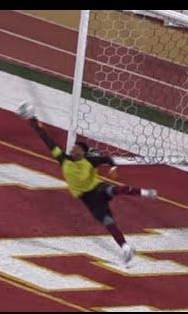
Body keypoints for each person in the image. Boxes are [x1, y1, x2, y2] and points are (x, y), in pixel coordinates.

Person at [17, 102, 157, 265]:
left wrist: (112, 167)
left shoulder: (90, 160)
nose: (73, 149)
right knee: (107, 222)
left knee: (113, 189)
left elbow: (107, 158)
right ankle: (126, 248)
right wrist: (32, 119)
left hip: (97, 188)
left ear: (83, 153)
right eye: (73, 148)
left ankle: (145, 193)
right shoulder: (63, 160)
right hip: (87, 199)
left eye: (76, 148)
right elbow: (47, 140)